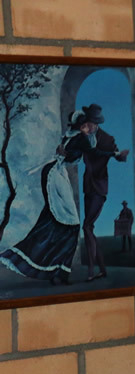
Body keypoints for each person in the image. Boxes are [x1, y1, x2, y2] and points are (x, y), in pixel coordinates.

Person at [0, 110, 89, 285]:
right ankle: (55, 270)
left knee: (57, 223)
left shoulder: (71, 136)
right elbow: (86, 152)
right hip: (55, 175)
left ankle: (57, 272)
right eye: (85, 125)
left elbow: (70, 155)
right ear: (80, 126)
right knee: (70, 225)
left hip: (55, 173)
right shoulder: (80, 139)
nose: (88, 128)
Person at [77, 103, 129, 281]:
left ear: (97, 123)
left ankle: (91, 270)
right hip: (87, 186)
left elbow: (114, 155)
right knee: (89, 227)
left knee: (87, 226)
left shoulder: (107, 139)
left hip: (99, 188)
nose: (88, 126)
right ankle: (102, 269)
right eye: (87, 122)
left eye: (91, 123)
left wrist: (120, 156)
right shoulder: (83, 136)